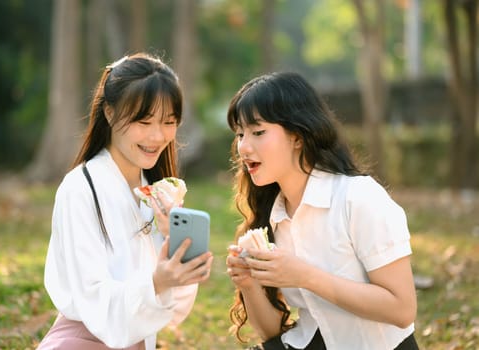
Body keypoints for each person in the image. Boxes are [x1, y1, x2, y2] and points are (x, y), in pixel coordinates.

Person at [225, 72, 419, 350]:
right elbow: (270, 334)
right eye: (240, 134)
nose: (244, 147)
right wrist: (248, 284)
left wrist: (305, 276)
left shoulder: (358, 198)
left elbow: (402, 310)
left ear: (297, 137)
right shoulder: (273, 215)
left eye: (258, 132)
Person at [37, 53, 213, 350]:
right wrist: (157, 282)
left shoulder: (159, 195)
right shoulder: (80, 189)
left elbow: (173, 312)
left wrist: (177, 249)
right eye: (144, 121)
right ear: (109, 112)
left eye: (169, 122)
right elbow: (94, 301)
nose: (158, 136)